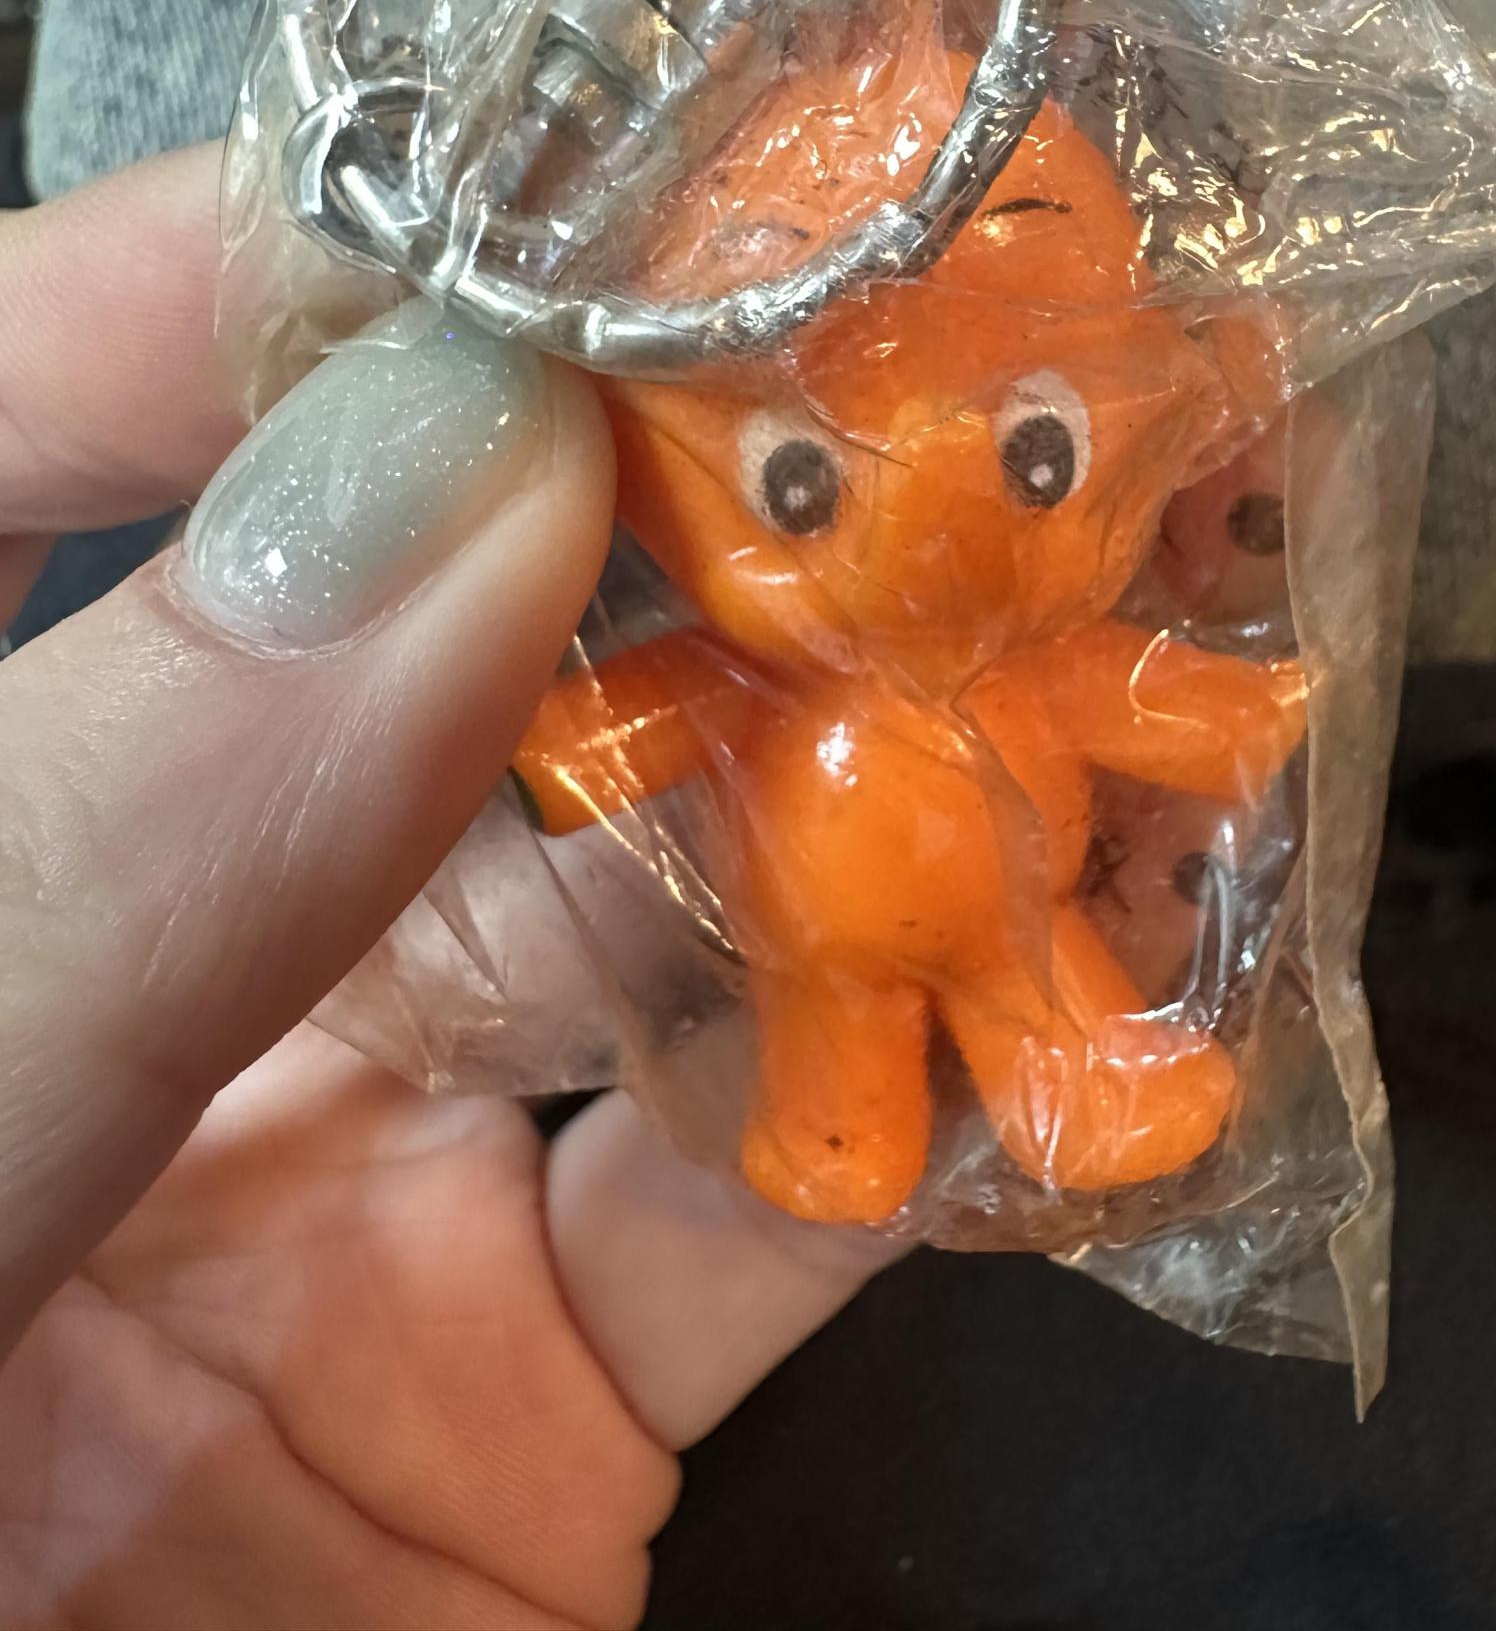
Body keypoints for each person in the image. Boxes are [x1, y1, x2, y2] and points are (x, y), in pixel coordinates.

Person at [0, 145, 887, 1626]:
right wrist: (549, 743)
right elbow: (617, 731)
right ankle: (855, 1109)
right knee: (845, 1055)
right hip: (777, 929)